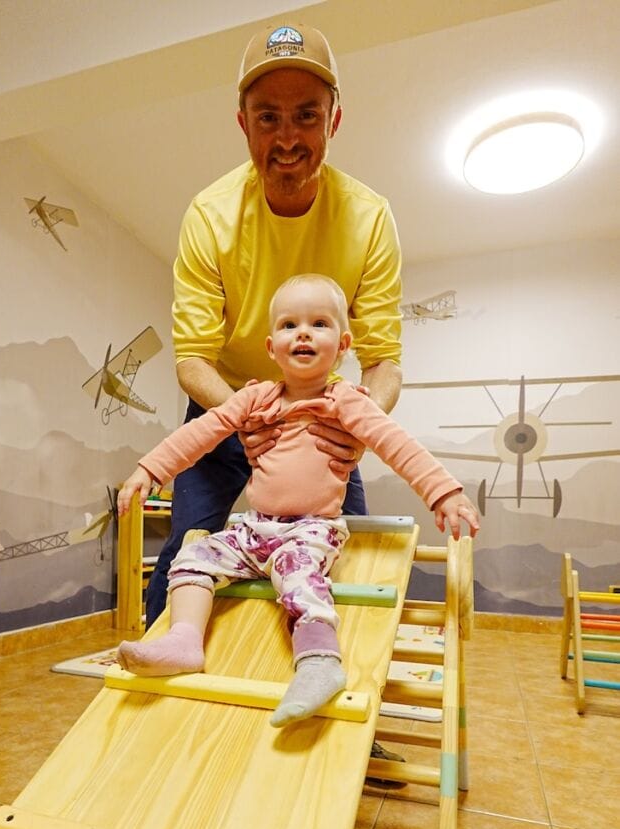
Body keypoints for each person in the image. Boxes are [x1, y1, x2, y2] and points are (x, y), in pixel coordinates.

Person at [117, 275, 480, 729]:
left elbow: (395, 443)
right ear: (272, 347)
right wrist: (151, 469)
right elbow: (201, 432)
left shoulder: (346, 401)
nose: (303, 332)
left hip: (312, 529)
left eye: (319, 323)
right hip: (254, 528)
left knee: (300, 576)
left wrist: (443, 490)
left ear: (343, 344)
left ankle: (318, 662)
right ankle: (184, 640)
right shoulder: (254, 398)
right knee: (192, 557)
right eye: (290, 324)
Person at [146, 21, 403, 630]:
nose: (287, 138)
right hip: (228, 400)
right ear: (243, 123)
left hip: (322, 414)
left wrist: (360, 426)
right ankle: (166, 676)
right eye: (268, 118)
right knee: (188, 542)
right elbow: (192, 361)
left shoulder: (369, 218)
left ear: (334, 120)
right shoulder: (210, 215)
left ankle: (345, 711)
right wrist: (249, 415)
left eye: (306, 116)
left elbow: (384, 360)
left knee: (352, 547)